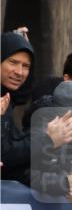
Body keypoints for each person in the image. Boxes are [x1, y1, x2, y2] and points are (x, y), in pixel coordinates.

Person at [1, 31, 35, 182]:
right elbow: (6, 155)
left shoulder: (6, 97)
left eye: (26, 66)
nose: (20, 72)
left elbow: (24, 93)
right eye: (13, 62)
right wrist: (48, 139)